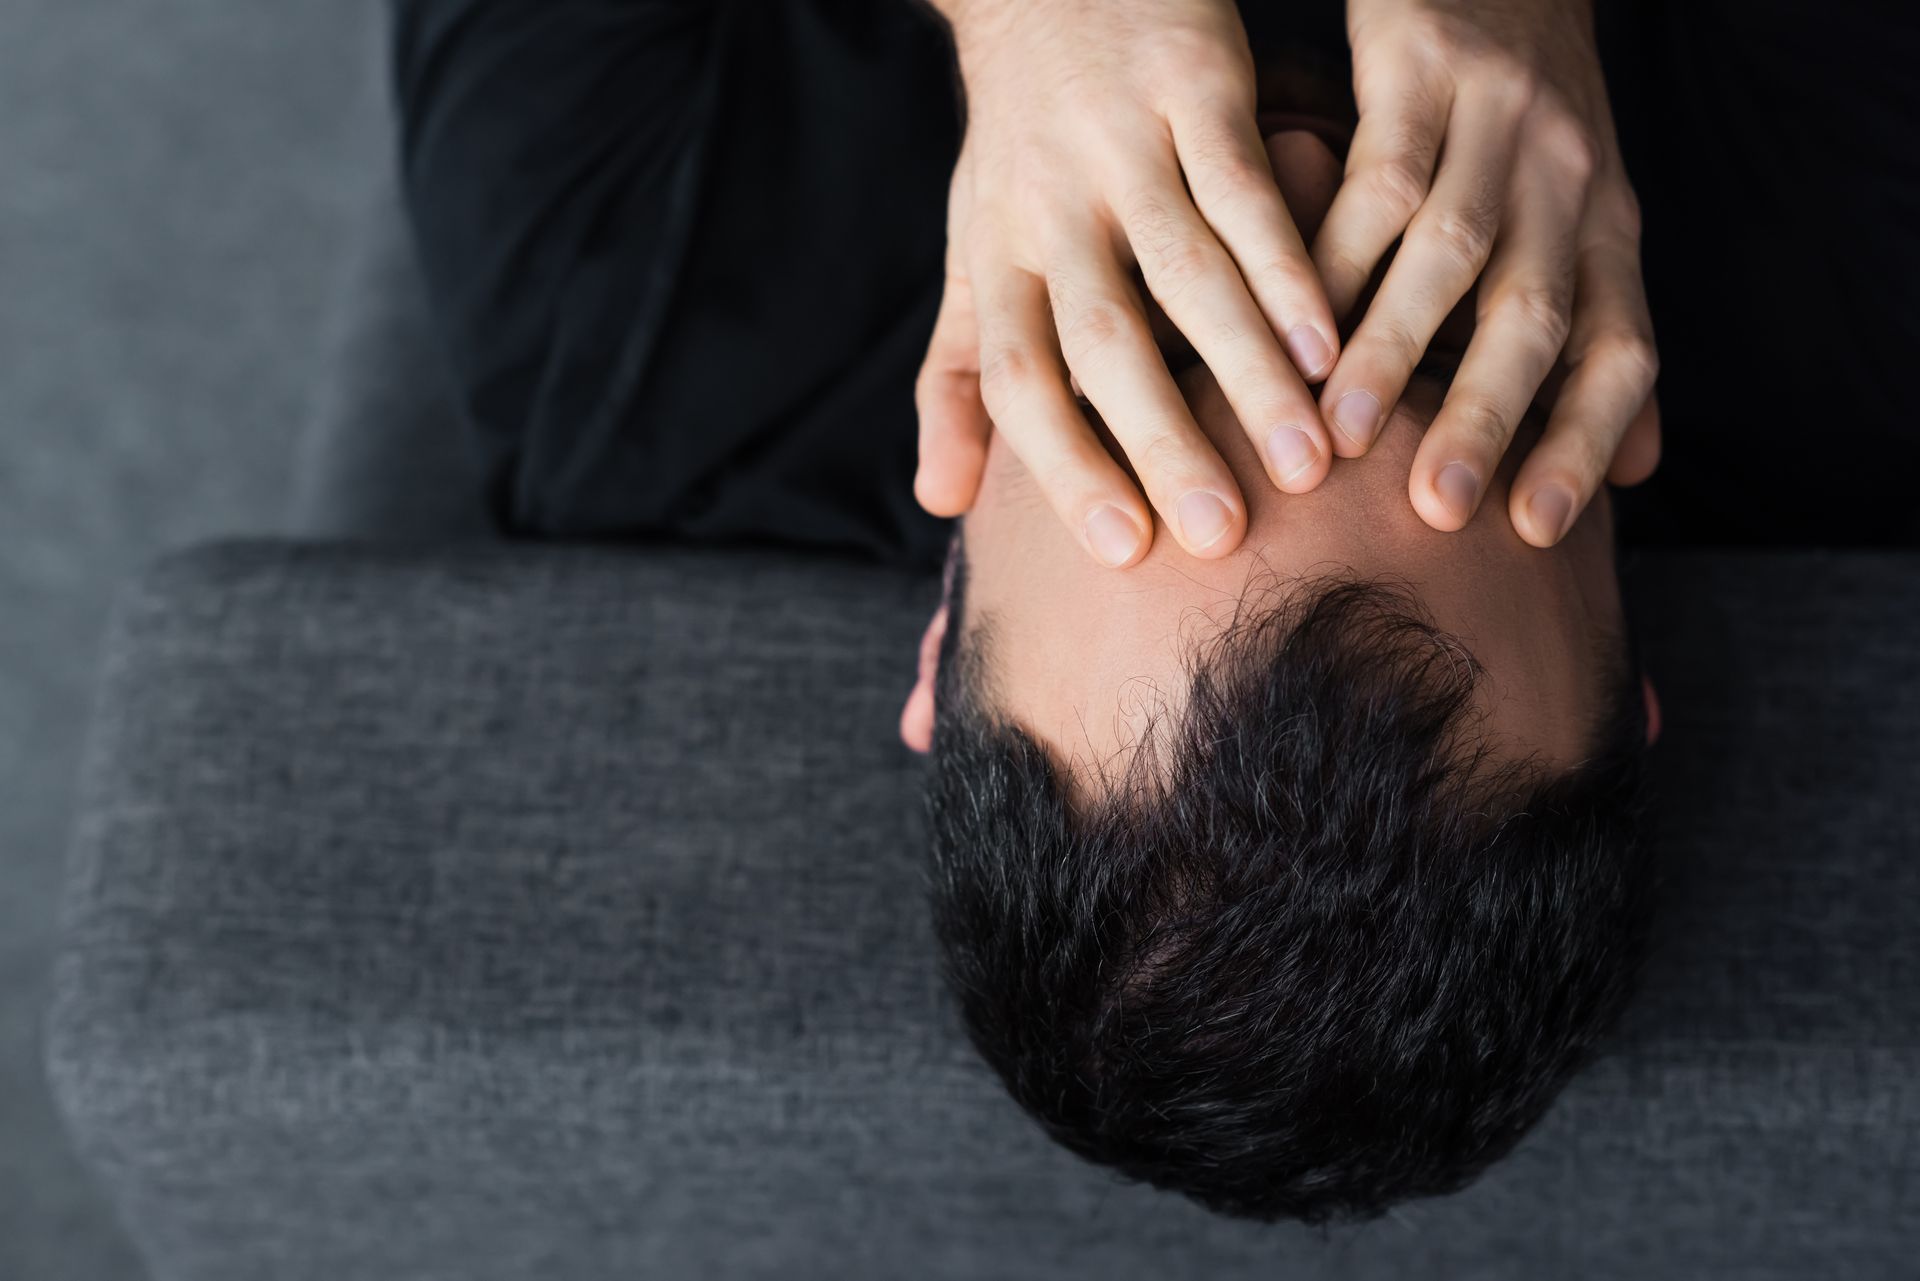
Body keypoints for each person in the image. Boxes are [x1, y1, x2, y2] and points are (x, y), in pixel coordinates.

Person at [391, 0, 1912, 1226]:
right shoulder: (1855, 317)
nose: (1300, 189)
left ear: (941, 633)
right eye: (1446, 365)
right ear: (1636, 658)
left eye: (1136, 379)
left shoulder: (640, 345)